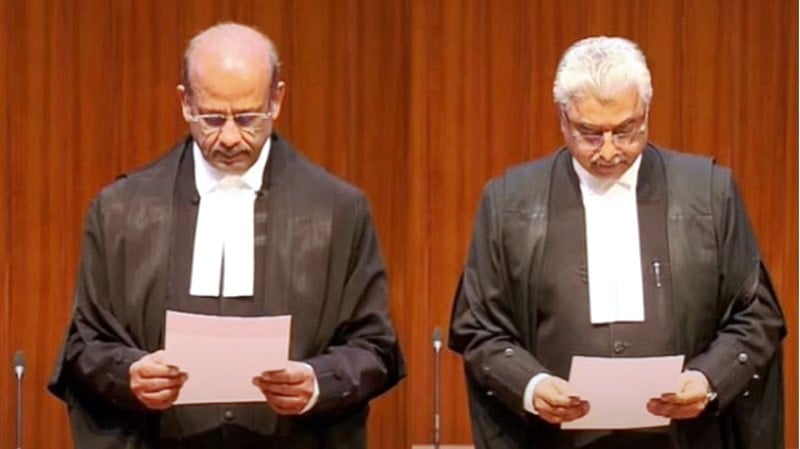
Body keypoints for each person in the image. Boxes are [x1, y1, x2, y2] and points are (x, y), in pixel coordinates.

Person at [48, 22, 404, 449]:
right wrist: (128, 374)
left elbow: (375, 347)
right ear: (185, 103)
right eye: (212, 118)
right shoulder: (121, 210)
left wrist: (315, 382)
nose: (231, 137)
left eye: (249, 117)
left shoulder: (338, 210)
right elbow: (84, 346)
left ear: (277, 99)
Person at [448, 36, 785, 449]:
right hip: (556, 441)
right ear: (563, 117)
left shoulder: (710, 194)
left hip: (686, 439)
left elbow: (757, 315)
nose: (609, 151)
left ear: (646, 111)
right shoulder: (509, 202)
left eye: (626, 130)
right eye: (589, 133)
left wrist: (709, 378)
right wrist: (532, 385)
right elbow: (479, 327)